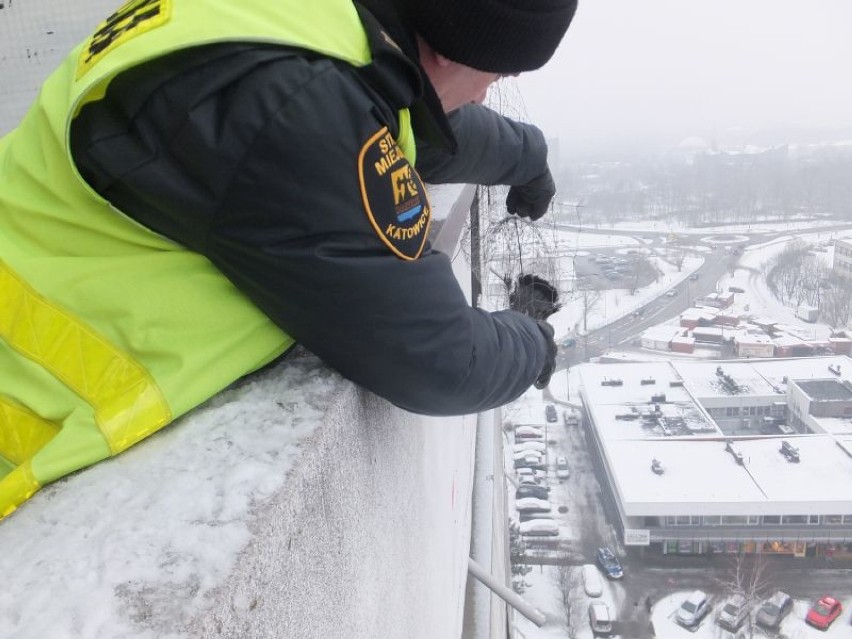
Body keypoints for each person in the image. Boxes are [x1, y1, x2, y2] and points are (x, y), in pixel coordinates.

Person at [0, 0, 576, 520]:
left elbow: (415, 119)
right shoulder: (292, 109)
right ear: (455, 49)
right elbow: (441, 358)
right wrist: (535, 343)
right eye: (495, 75)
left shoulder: (304, 30)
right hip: (26, 414)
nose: (485, 94)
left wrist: (528, 158)